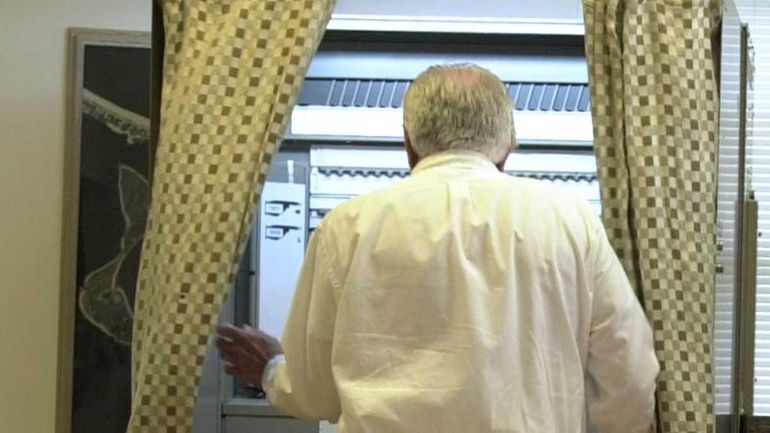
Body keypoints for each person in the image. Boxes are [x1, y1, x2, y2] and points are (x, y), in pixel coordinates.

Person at [217, 64, 659, 433]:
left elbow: (314, 393)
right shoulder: (569, 219)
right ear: (508, 146)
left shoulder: (347, 227)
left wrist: (273, 369)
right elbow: (632, 378)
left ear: (408, 143)